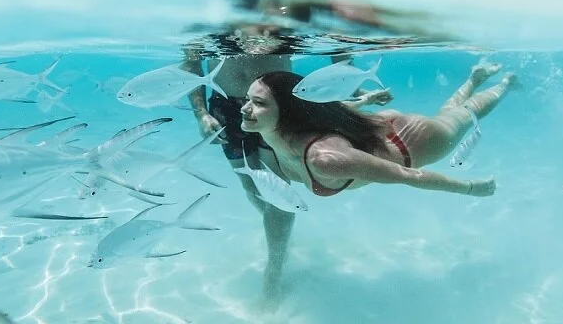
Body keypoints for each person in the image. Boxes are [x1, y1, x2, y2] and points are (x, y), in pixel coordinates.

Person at [181, 19, 392, 309]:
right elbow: (191, 63)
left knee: (279, 195)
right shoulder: (215, 24)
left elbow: (338, 47)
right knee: (251, 187)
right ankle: (277, 231)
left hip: (279, 108)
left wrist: (352, 87)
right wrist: (200, 113)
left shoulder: (281, 23)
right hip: (227, 107)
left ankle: (274, 272)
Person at [239, 63, 517, 199]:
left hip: (412, 142)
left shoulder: (323, 158)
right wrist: (366, 101)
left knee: (464, 116)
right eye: (248, 99)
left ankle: (505, 84)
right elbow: (327, 109)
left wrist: (470, 188)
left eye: (258, 103)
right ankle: (475, 78)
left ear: (287, 111)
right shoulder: (272, 135)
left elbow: (408, 175)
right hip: (378, 127)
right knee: (449, 115)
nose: (244, 109)